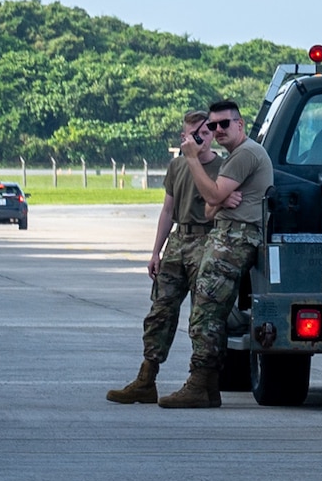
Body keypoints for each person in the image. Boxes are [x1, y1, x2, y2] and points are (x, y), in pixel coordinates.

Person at [106, 111, 240, 404]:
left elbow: (225, 201)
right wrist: (156, 251)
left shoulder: (223, 166)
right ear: (183, 138)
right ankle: (146, 377)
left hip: (208, 237)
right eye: (193, 134)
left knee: (205, 315)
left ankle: (205, 382)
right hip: (179, 239)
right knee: (160, 310)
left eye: (205, 133)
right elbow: (167, 211)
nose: (200, 139)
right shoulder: (177, 166)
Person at [158, 100, 273, 409]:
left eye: (225, 124)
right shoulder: (235, 158)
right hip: (225, 234)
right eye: (212, 126)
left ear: (240, 124)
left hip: (235, 238)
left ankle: (199, 383)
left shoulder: (244, 154)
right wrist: (220, 199)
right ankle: (208, 388)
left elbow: (209, 195)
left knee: (205, 313)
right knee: (209, 312)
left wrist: (193, 159)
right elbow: (209, 208)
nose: (218, 130)